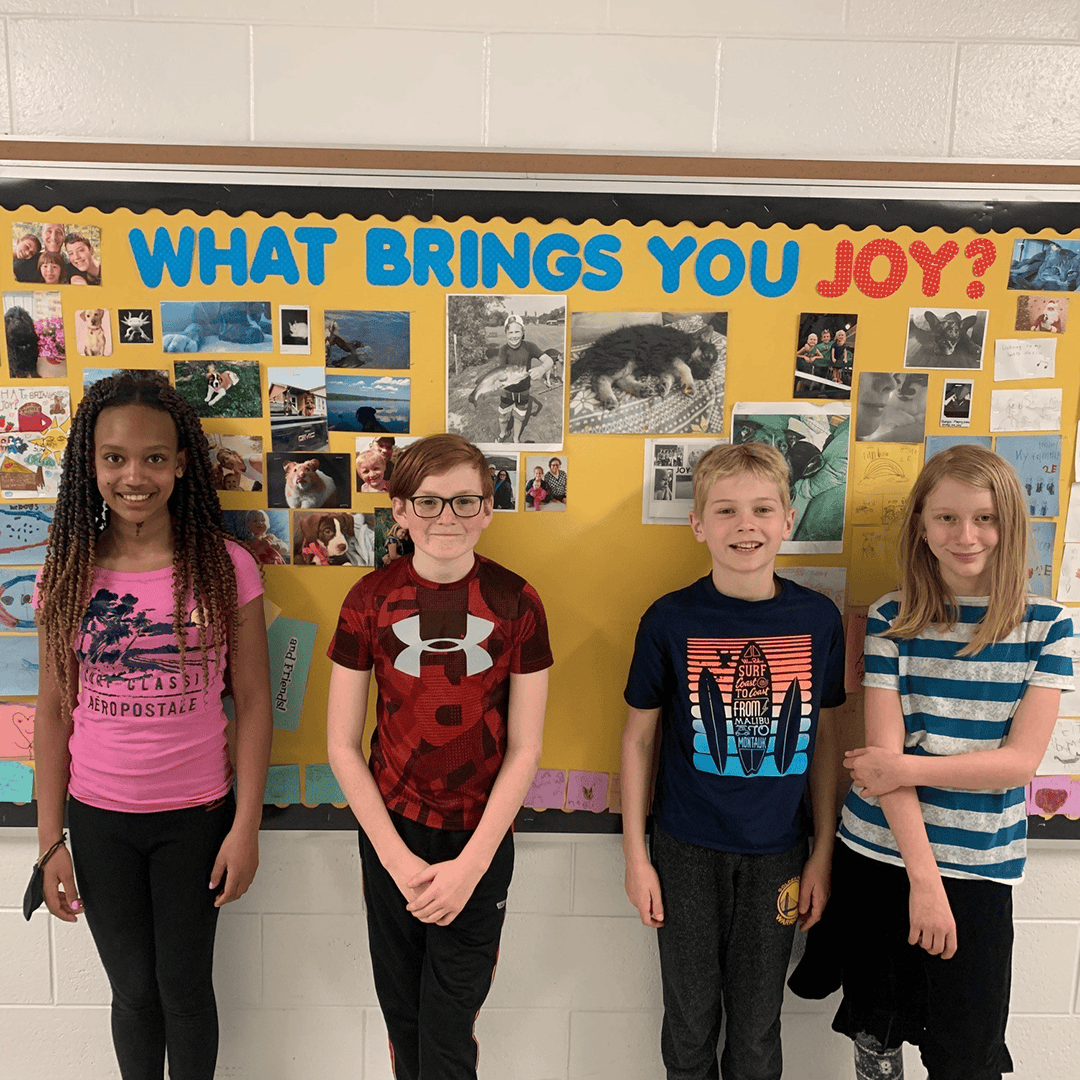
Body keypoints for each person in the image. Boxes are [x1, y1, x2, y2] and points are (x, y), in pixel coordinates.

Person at [32, 373, 272, 1080]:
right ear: (91, 465)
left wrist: (245, 826)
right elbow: (51, 710)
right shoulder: (68, 572)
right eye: (114, 457)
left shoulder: (227, 568)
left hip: (198, 819)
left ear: (182, 463)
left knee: (186, 992)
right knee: (134, 994)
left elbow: (254, 701)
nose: (134, 475)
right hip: (99, 821)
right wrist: (51, 843)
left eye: (155, 457)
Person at [832, 445, 1073, 1080]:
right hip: (883, 856)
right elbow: (881, 764)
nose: (966, 536)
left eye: (985, 518)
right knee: (877, 1036)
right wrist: (923, 881)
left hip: (978, 869)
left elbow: (1017, 764)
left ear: (1011, 524)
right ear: (920, 524)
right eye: (946, 518)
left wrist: (907, 768)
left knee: (967, 1054)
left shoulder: (1048, 627)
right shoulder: (892, 619)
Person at [326, 433, 552, 1080]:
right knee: (406, 1026)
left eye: (463, 502)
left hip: (479, 840)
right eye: (427, 502)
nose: (445, 519)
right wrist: (398, 863)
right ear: (398, 511)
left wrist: (469, 867)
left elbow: (525, 748)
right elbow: (342, 747)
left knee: (449, 1037)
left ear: (488, 509)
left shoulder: (517, 602)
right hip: (391, 835)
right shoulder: (368, 600)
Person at [621, 442, 846, 1080]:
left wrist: (822, 852)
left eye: (761, 509)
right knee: (689, 1027)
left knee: (755, 1032)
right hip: (685, 849)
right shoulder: (670, 619)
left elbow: (827, 738)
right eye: (725, 511)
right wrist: (637, 856)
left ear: (788, 521)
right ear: (698, 525)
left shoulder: (816, 619)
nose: (744, 524)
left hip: (779, 850)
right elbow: (639, 738)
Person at [495, 314, 554, 442]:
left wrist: (542, 369)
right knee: (503, 416)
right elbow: (502, 370)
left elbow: (549, 360)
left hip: (524, 391)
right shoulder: (504, 350)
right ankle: (503, 433)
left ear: (523, 332)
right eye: (510, 332)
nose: (514, 335)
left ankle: (516, 438)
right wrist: (497, 382)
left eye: (517, 331)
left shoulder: (530, 347)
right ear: (506, 333)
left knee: (519, 417)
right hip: (507, 391)